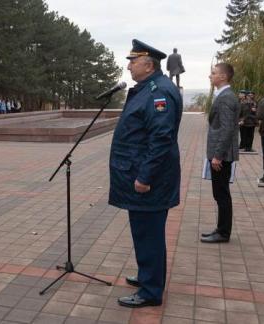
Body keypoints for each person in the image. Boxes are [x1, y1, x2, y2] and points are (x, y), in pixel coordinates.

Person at [109, 39, 182, 308]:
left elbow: (161, 139)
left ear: (148, 64)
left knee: (149, 232)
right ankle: (147, 276)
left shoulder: (157, 93)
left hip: (149, 180)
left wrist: (144, 177)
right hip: (141, 174)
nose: (128, 66)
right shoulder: (149, 88)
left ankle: (151, 292)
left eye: (132, 61)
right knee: (144, 232)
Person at [201, 63, 240, 244]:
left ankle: (223, 233)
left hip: (221, 155)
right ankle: (221, 229)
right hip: (221, 153)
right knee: (220, 193)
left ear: (223, 77)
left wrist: (217, 155)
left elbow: (226, 130)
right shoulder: (225, 96)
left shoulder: (225, 98)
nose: (210, 76)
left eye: (213, 73)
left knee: (221, 194)